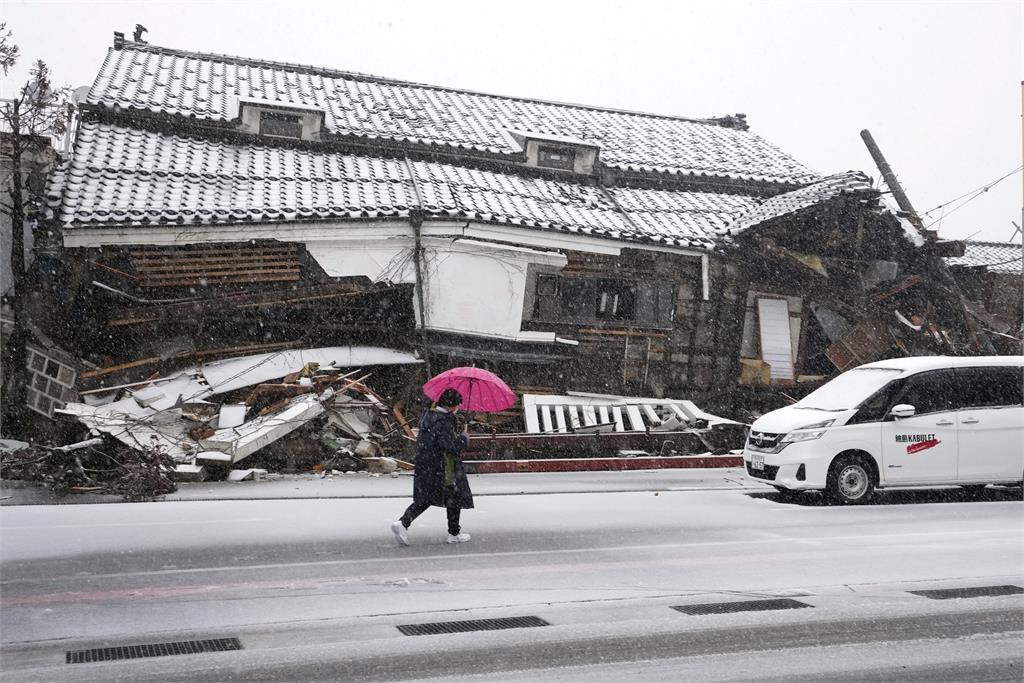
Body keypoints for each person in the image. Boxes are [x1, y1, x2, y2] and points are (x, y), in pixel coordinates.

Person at [391, 388, 474, 545]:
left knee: (428, 497)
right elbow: (449, 447)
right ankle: (453, 533)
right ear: (451, 406)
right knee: (453, 497)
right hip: (444, 467)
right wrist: (463, 439)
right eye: (457, 406)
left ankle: (403, 523)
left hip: (427, 464)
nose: (457, 409)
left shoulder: (429, 417)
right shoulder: (444, 421)